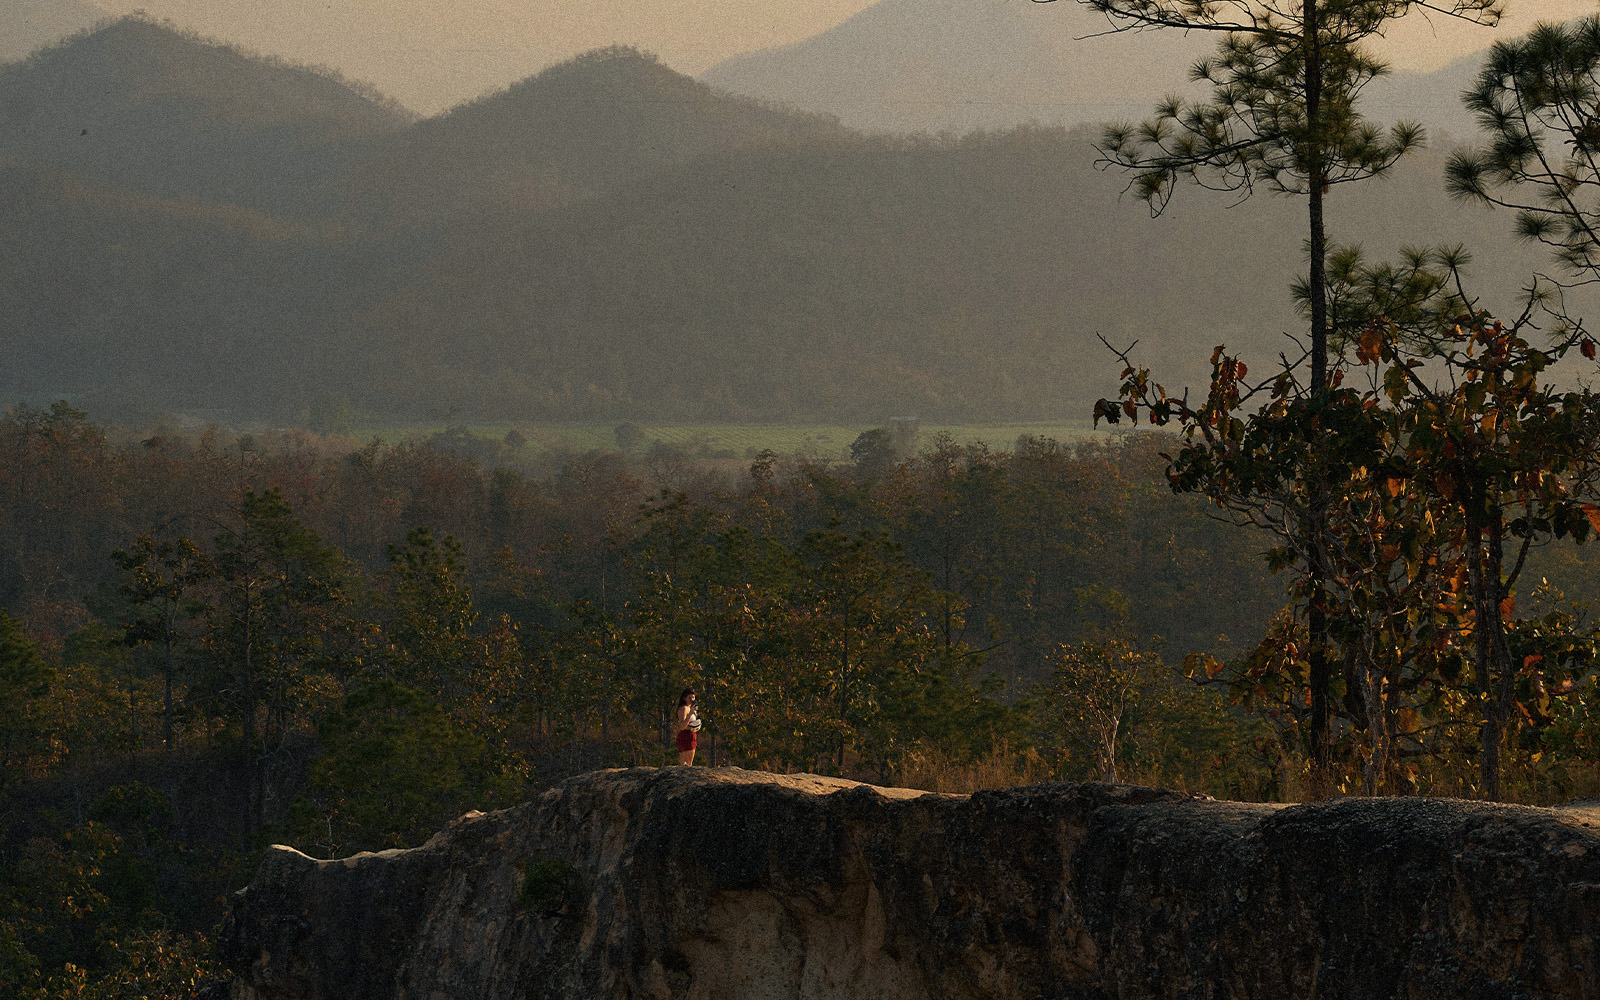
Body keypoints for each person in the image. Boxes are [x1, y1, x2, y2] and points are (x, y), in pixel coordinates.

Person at [674, 689, 700, 766]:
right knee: (686, 764)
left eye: (693, 697)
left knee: (688, 763)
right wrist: (690, 714)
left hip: (692, 735)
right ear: (684, 698)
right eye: (689, 698)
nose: (692, 700)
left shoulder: (690, 708)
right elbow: (682, 726)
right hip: (686, 736)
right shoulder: (684, 708)